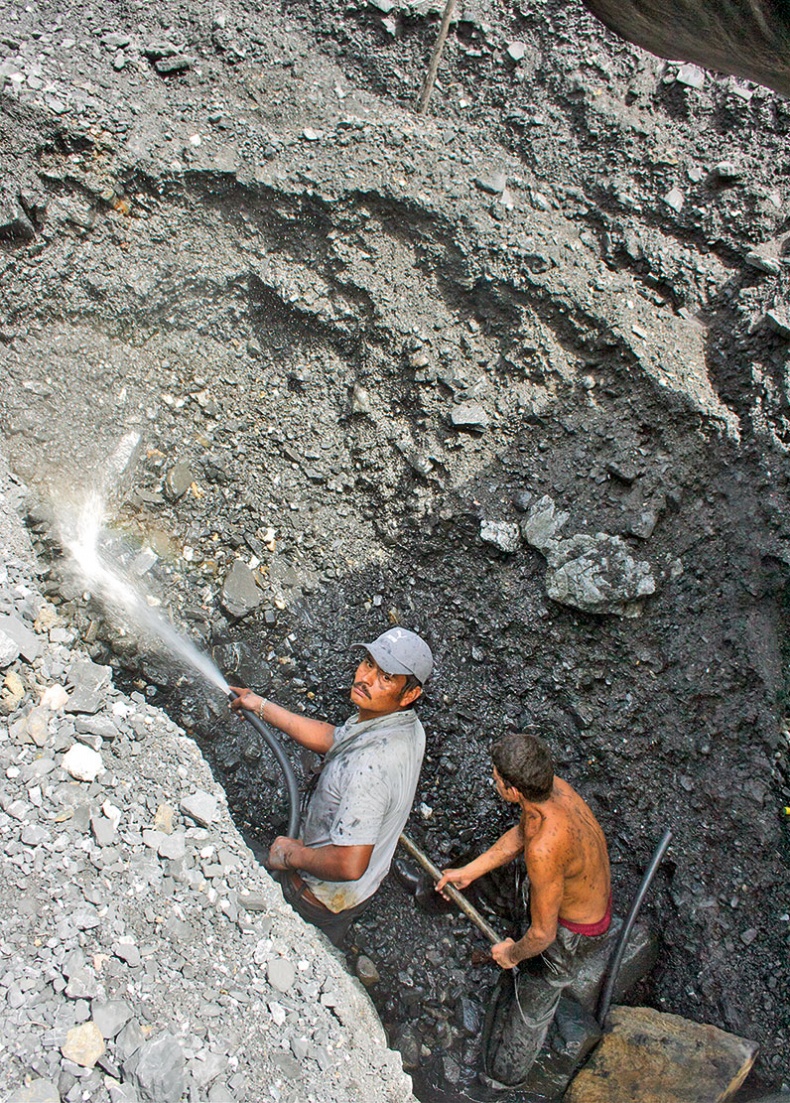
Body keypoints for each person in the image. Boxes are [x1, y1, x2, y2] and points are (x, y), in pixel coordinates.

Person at [230, 626, 433, 947]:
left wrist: (292, 855)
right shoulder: (406, 727)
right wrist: (261, 706)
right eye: (368, 663)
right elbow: (333, 738)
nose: (366, 678)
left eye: (387, 678)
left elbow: (350, 863)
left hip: (316, 896)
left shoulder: (371, 765)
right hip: (358, 893)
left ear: (410, 695)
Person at [435, 732, 612, 1086]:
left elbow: (545, 935)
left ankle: (502, 1079)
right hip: (573, 895)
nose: (493, 781)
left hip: (571, 933)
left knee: (532, 1005)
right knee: (512, 888)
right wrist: (471, 871)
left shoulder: (545, 848)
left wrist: (512, 953)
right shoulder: (552, 790)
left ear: (513, 790)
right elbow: (521, 835)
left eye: (497, 778)